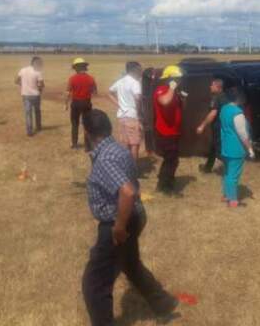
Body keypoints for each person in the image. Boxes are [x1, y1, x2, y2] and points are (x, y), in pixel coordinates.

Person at [80, 109, 178, 325]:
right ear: (108, 128)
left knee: (94, 283)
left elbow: (127, 191)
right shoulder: (118, 149)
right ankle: (163, 304)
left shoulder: (105, 158)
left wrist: (119, 227)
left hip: (120, 221)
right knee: (130, 264)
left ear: (86, 132)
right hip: (135, 214)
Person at [219, 88, 255, 208]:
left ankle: (226, 195)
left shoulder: (224, 109)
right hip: (236, 148)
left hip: (225, 145)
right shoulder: (237, 112)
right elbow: (242, 134)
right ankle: (233, 200)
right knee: (234, 175)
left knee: (228, 172)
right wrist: (250, 149)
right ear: (238, 98)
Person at [153, 65, 184, 195]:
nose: (179, 81)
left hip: (174, 131)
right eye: (177, 78)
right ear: (170, 79)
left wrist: (182, 99)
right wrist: (172, 88)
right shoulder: (161, 90)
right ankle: (164, 186)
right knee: (171, 159)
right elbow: (165, 102)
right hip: (165, 132)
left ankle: (166, 180)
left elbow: (179, 108)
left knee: (172, 159)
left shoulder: (173, 91)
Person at [108, 62, 143, 161]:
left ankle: (125, 167)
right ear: (134, 70)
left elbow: (109, 92)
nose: (141, 72)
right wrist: (139, 114)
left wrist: (119, 105)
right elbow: (137, 98)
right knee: (134, 144)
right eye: (140, 70)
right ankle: (133, 170)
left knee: (125, 144)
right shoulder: (135, 83)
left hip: (121, 116)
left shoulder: (120, 81)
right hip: (132, 116)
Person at [196, 78, 227, 173]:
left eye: (212, 85)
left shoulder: (216, 98)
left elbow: (213, 113)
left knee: (219, 148)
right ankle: (207, 168)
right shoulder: (225, 96)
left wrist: (202, 125)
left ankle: (226, 170)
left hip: (218, 127)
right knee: (214, 147)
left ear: (218, 87)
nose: (210, 87)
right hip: (224, 126)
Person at [66, 58, 97, 150]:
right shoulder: (91, 78)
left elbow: (68, 92)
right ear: (85, 67)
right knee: (87, 124)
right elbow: (94, 92)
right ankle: (88, 145)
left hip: (75, 103)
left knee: (75, 124)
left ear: (76, 68)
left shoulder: (72, 78)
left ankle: (74, 144)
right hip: (86, 103)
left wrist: (66, 104)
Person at [15, 56, 44, 137]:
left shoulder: (22, 70)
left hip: (25, 95)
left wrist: (23, 85)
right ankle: (38, 126)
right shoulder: (38, 72)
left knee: (28, 113)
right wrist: (40, 90)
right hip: (36, 95)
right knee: (37, 111)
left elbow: (16, 81)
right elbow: (41, 84)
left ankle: (29, 130)